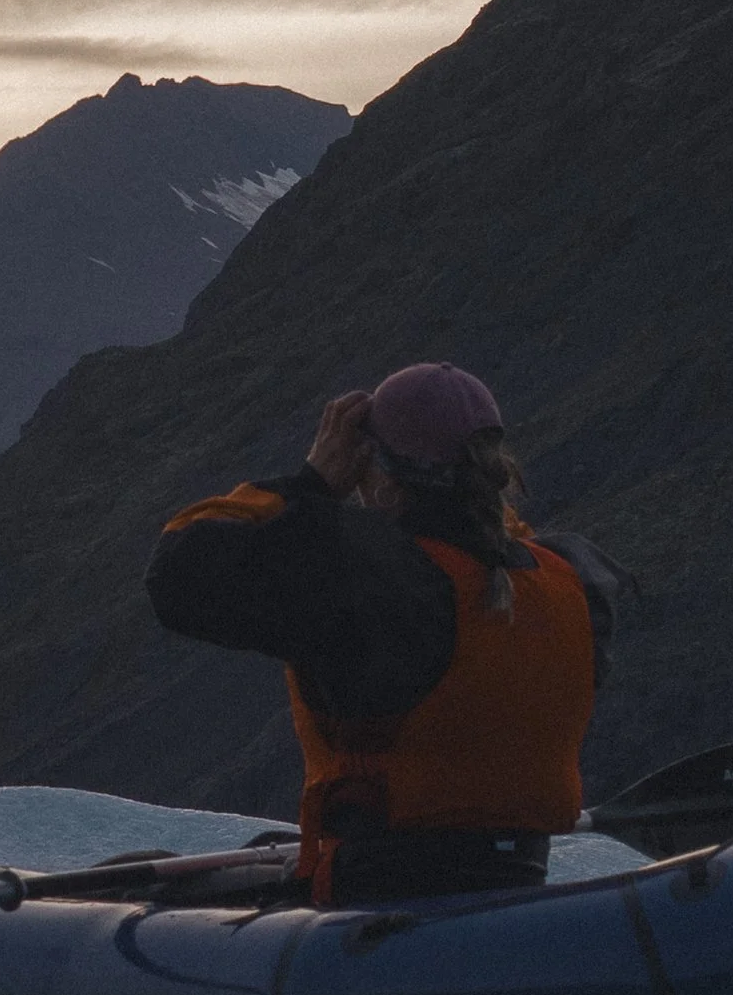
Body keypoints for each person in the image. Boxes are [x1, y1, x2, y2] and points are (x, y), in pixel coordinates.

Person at [145, 361, 622, 906]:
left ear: (381, 477)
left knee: (137, 877)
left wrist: (314, 483)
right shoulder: (568, 580)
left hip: (376, 894)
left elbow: (179, 576)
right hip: (515, 874)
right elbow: (481, 555)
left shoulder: (371, 584)